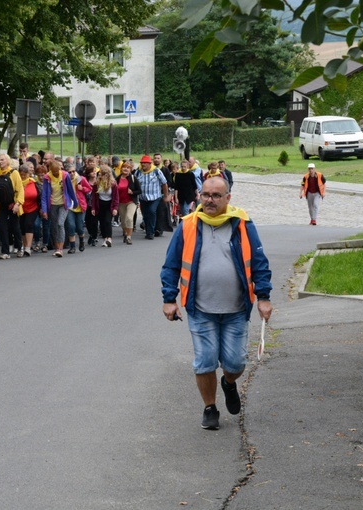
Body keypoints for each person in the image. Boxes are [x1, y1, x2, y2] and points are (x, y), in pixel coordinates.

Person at [160, 177, 273, 430]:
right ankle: (210, 408)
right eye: (206, 195)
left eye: (216, 195)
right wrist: (169, 299)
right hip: (200, 310)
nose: (209, 200)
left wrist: (264, 297)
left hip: (236, 310)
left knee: (235, 363)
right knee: (205, 361)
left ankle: (229, 383)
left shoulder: (242, 224)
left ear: (228, 198)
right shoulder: (188, 225)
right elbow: (171, 264)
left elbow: (259, 262)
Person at [40, 160, 78, 257]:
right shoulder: (47, 178)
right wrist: (44, 210)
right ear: (50, 170)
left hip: (63, 204)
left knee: (60, 223)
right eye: (54, 171)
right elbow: (44, 195)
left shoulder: (65, 176)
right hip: (52, 204)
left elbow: (70, 190)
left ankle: (60, 249)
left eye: (58, 171)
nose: (56, 173)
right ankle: (56, 247)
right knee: (54, 226)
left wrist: (75, 202)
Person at [0, 153, 24, 259]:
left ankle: (19, 248)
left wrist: (18, 204)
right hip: (1, 205)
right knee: (2, 228)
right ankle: (5, 251)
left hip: (12, 203)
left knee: (15, 227)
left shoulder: (14, 173)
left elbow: (20, 190)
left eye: (2, 160)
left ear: (7, 160)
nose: (0, 162)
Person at [136, 154, 169, 239]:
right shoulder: (138, 172)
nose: (143, 165)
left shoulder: (156, 171)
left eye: (145, 163)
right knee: (145, 215)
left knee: (151, 211)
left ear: (150, 163)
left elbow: (164, 183)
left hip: (155, 197)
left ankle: (151, 232)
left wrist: (166, 196)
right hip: (143, 198)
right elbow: (134, 183)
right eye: (142, 163)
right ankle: (148, 231)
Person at [65, 162, 92, 253]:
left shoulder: (81, 179)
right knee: (71, 226)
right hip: (69, 206)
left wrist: (82, 189)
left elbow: (89, 189)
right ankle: (72, 246)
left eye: (73, 171)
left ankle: (81, 241)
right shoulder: (64, 180)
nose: (72, 173)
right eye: (70, 172)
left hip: (80, 206)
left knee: (80, 227)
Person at [90, 164, 119, 247]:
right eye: (99, 174)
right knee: (102, 222)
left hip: (109, 205)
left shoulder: (113, 184)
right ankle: (104, 239)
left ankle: (109, 238)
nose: (100, 175)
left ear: (106, 175)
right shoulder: (97, 183)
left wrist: (115, 208)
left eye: (101, 174)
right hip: (100, 204)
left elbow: (116, 197)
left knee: (107, 221)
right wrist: (93, 208)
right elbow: (94, 197)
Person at [115, 161, 141, 244]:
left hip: (131, 202)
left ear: (130, 169)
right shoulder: (117, 179)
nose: (125, 169)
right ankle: (125, 233)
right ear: (121, 168)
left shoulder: (133, 178)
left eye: (128, 167)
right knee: (123, 221)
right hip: (121, 202)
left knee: (129, 218)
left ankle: (129, 237)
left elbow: (139, 190)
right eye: (124, 167)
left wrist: (132, 192)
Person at [18, 163, 41, 257]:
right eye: (21, 174)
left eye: (25, 174)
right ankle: (24, 245)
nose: (23, 176)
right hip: (21, 208)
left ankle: (28, 247)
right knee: (22, 227)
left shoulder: (34, 183)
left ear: (29, 174)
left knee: (29, 224)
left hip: (32, 207)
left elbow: (39, 195)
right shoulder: (17, 183)